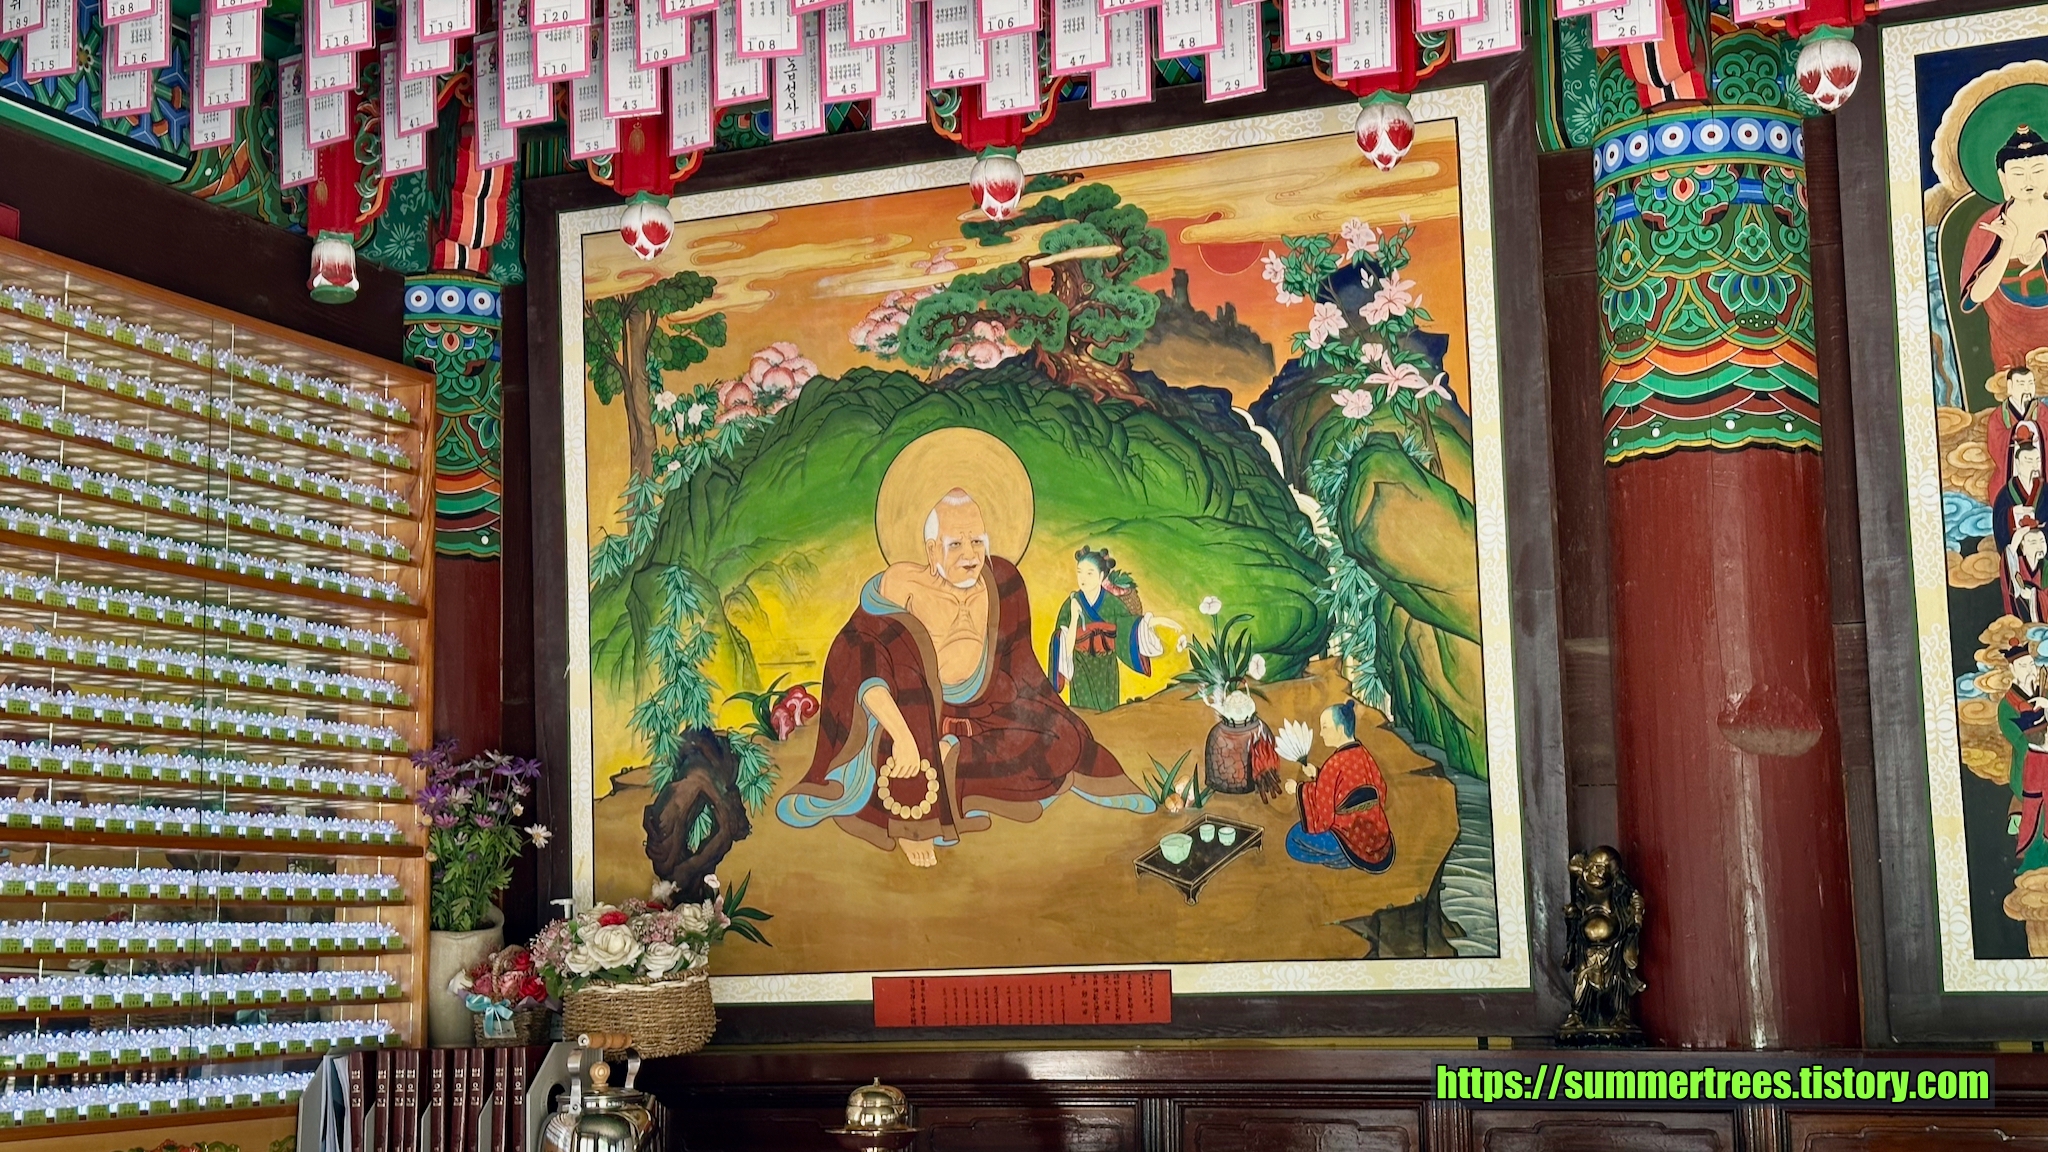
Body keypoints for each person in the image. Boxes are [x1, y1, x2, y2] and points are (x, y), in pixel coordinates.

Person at [776, 486, 1152, 868]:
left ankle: (952, 764)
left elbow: (1022, 672)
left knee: (1062, 740)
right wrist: (904, 736)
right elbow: (859, 658)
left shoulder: (1003, 583)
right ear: (931, 550)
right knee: (900, 725)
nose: (970, 555)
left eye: (977, 541)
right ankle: (916, 815)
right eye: (955, 544)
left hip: (987, 717)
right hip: (915, 718)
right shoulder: (901, 587)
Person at [1049, 547, 1180, 712]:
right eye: (1079, 572)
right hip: (1080, 667)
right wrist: (1074, 616)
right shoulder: (1071, 604)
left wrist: (1155, 621)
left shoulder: (1112, 603)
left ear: (1101, 576)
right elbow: (1064, 648)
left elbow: (1130, 627)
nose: (1083, 578)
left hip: (1107, 667)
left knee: (1108, 713)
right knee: (1083, 713)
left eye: (1089, 573)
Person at [1964, 126, 2048, 374]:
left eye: (2038, 170)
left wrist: (2043, 243)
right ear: (2003, 178)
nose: (2029, 181)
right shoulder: (1988, 225)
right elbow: (1976, 296)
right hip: (2009, 335)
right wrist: (2006, 245)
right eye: (2018, 173)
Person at [1283, 701, 1395, 873]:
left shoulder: (1334, 764)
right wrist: (1318, 774)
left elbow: (1324, 813)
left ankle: (1344, 856)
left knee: (1293, 840)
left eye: (1325, 727)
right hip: (1375, 836)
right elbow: (1380, 791)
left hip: (1347, 835)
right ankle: (1352, 855)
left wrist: (1298, 789)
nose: (1321, 733)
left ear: (1341, 729)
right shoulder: (1364, 755)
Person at [2000, 639, 2048, 874]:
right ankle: (2033, 856)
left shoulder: (2043, 692)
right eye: (2023, 665)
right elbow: (2017, 739)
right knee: (2033, 809)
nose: (2030, 669)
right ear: (2012, 669)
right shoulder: (2007, 705)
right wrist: (2036, 739)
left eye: (2031, 664)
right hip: (2029, 766)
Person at [1990, 364, 2044, 497]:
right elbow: (1995, 444)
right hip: (2009, 473)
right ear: (2010, 387)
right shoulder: (1999, 415)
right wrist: (2017, 430)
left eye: (2030, 383)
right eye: (2021, 384)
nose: (2027, 389)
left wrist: (2034, 428)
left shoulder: (2042, 410)